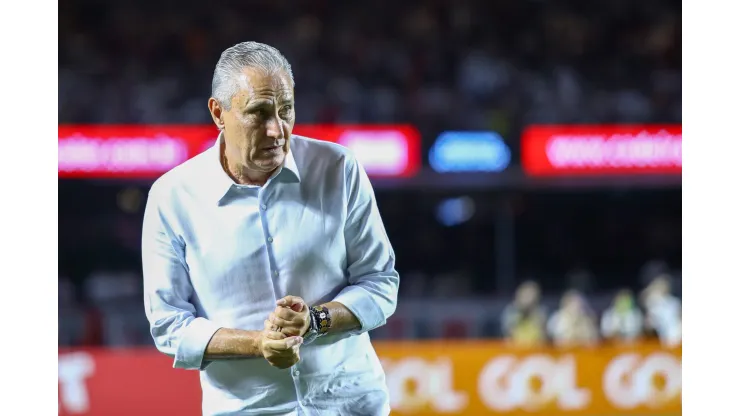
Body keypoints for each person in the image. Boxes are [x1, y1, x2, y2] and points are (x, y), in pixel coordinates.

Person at [142, 41, 400, 416]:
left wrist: (314, 320)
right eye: (258, 112)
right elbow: (168, 324)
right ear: (218, 113)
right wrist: (259, 344)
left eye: (286, 110)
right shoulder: (172, 196)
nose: (277, 130)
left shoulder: (339, 169)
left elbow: (380, 283)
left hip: (351, 405)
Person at [500, 281, 548, 346]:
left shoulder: (541, 313)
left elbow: (544, 338)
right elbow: (507, 338)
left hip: (536, 350)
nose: (528, 299)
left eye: (531, 295)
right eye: (525, 295)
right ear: (519, 296)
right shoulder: (510, 312)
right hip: (515, 349)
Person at [641, 274, 681, 347]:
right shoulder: (653, 303)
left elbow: (678, 318)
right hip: (663, 339)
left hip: (675, 336)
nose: (663, 287)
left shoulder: (674, 302)